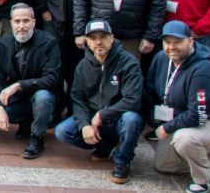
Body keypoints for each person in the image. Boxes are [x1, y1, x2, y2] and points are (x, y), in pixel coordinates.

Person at [145, 21, 210, 193]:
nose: (172, 47)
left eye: (178, 41)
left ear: (191, 41)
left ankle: (204, 177)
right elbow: (152, 89)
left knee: (184, 139)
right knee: (164, 166)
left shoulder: (202, 70)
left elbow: (198, 115)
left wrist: (168, 127)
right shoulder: (161, 59)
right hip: (185, 116)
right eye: (167, 42)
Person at [54, 20, 144, 185]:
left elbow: (133, 100)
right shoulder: (82, 66)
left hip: (119, 116)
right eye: (93, 38)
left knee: (132, 120)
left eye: (103, 37)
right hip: (92, 115)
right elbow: (77, 98)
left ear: (112, 38)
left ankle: (122, 160)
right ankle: (104, 145)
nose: (98, 42)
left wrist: (102, 114)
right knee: (62, 131)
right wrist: (84, 125)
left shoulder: (129, 62)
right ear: (87, 42)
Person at [0, 3, 60, 159]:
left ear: (34, 22)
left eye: (26, 21)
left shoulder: (49, 42)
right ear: (11, 23)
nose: (22, 26)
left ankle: (37, 137)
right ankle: (26, 122)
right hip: (20, 98)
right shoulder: (4, 42)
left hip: (44, 95)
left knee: (43, 97)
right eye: (17, 21)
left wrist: (19, 85)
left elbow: (52, 79)